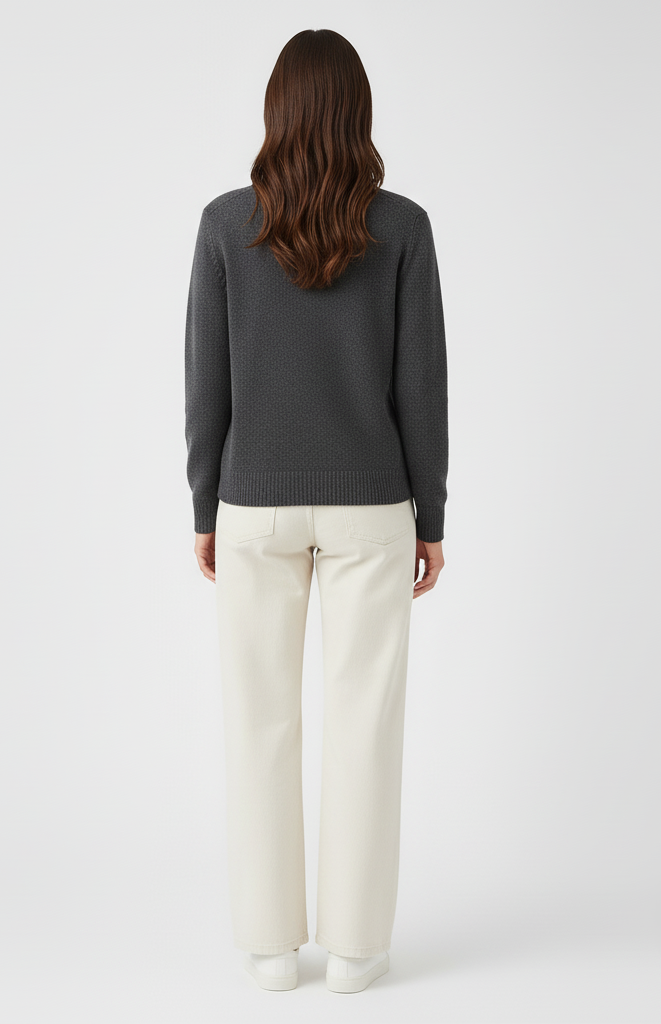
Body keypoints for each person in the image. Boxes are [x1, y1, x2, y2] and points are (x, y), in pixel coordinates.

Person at [184, 28, 448, 994]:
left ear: (277, 111)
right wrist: (431, 516)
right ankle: (355, 949)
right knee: (364, 723)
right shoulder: (403, 227)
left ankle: (268, 948)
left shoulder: (226, 225)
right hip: (373, 506)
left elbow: (204, 383)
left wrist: (204, 503)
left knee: (259, 722)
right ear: (357, 113)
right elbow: (423, 387)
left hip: (251, 503)